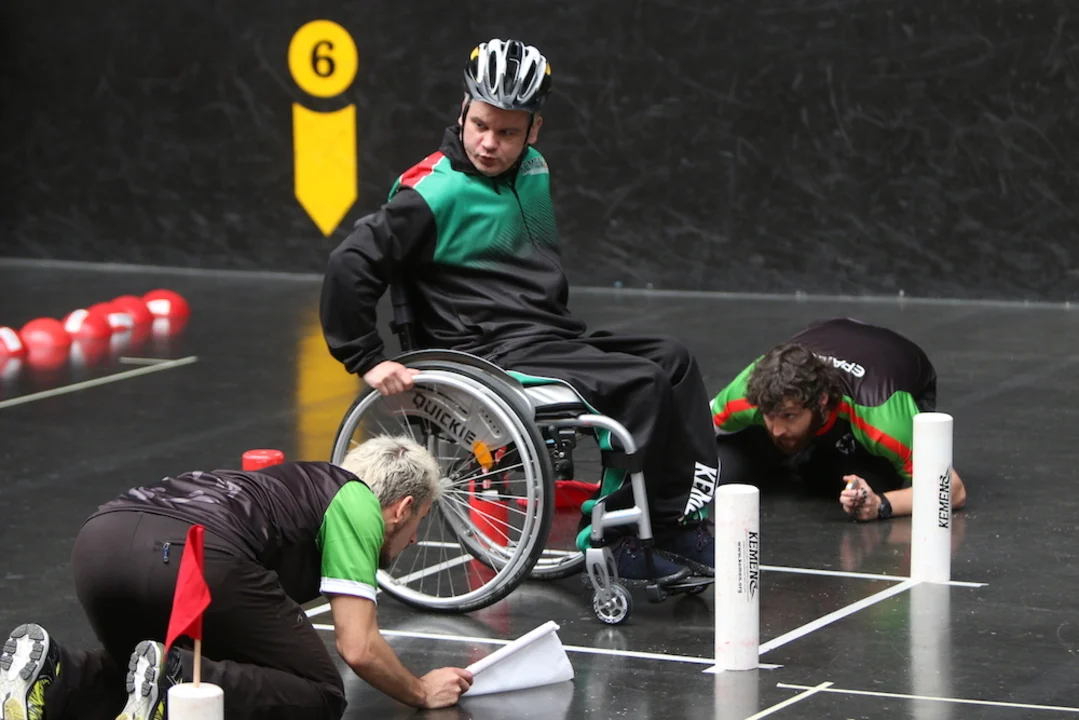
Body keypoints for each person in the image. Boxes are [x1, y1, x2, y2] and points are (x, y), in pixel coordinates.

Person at [319, 37, 718, 583]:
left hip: (544, 335)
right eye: (479, 124)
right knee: (639, 384)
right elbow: (350, 262)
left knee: (673, 360)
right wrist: (366, 357)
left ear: (534, 130)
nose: (488, 143)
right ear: (463, 109)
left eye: (507, 132)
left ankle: (676, 522)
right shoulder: (433, 192)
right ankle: (619, 539)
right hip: (483, 349)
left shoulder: (533, 170)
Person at [0, 435, 473, 720]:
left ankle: (55, 672)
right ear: (402, 508)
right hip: (192, 551)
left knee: (136, 673)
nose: (415, 538)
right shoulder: (358, 503)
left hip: (100, 541)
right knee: (320, 694)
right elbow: (358, 647)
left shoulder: (293, 484)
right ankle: (173, 678)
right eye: (420, 521)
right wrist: (420, 690)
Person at [710, 317, 967, 521]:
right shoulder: (750, 390)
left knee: (854, 489)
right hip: (831, 332)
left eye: (789, 415)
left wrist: (880, 505)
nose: (776, 430)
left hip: (895, 365)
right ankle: (801, 451)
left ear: (822, 400)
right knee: (719, 474)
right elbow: (699, 429)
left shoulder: (881, 417)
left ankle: (812, 459)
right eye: (769, 415)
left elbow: (953, 491)